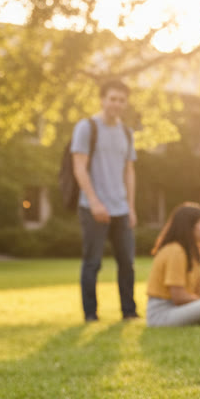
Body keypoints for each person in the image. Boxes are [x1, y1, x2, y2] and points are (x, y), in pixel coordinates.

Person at [72, 79, 138, 322]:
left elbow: (129, 171)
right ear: (102, 100)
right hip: (93, 207)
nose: (117, 104)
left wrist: (131, 206)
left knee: (127, 263)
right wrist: (95, 202)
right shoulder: (87, 127)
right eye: (112, 99)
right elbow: (79, 167)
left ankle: (129, 311)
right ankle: (91, 313)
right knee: (93, 263)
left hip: (121, 208)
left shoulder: (126, 132)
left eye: (121, 100)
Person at [146, 203, 200, 327]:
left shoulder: (192, 253)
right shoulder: (175, 251)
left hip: (178, 309)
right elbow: (178, 297)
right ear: (190, 226)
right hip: (162, 313)